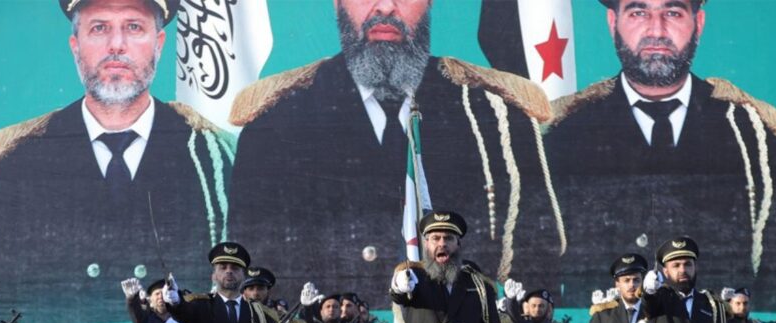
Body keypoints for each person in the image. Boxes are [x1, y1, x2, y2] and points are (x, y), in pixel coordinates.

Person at [227, 0, 563, 306]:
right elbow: (260, 270)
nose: (385, 7)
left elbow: (537, 259)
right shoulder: (275, 124)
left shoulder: (497, 116)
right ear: (337, 4)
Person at [0, 0, 233, 323]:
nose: (117, 45)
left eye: (133, 27)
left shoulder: (212, 158)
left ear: (159, 43)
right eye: (99, 28)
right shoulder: (17, 164)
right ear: (76, 46)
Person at [544, 0, 776, 309]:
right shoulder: (564, 136)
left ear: (699, 22)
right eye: (639, 12)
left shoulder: (752, 136)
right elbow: (541, 263)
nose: (656, 29)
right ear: (612, 21)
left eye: (673, 12)